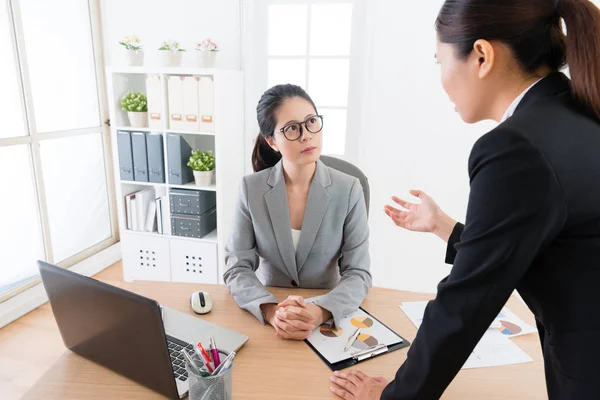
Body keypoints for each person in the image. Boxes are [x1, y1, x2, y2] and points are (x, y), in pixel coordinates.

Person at [329, 0, 600, 398]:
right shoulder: (575, 113)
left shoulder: (515, 148)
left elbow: (464, 304)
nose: (440, 78)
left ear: (481, 55)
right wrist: (444, 226)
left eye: (439, 61)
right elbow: (539, 240)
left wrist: (392, 396)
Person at [224, 84, 372, 340]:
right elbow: (237, 267)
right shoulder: (251, 189)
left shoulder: (349, 189)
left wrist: (320, 311)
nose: (306, 135)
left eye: (311, 122)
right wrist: (271, 311)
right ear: (271, 141)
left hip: (325, 317)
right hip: (271, 315)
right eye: (292, 128)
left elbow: (358, 273)